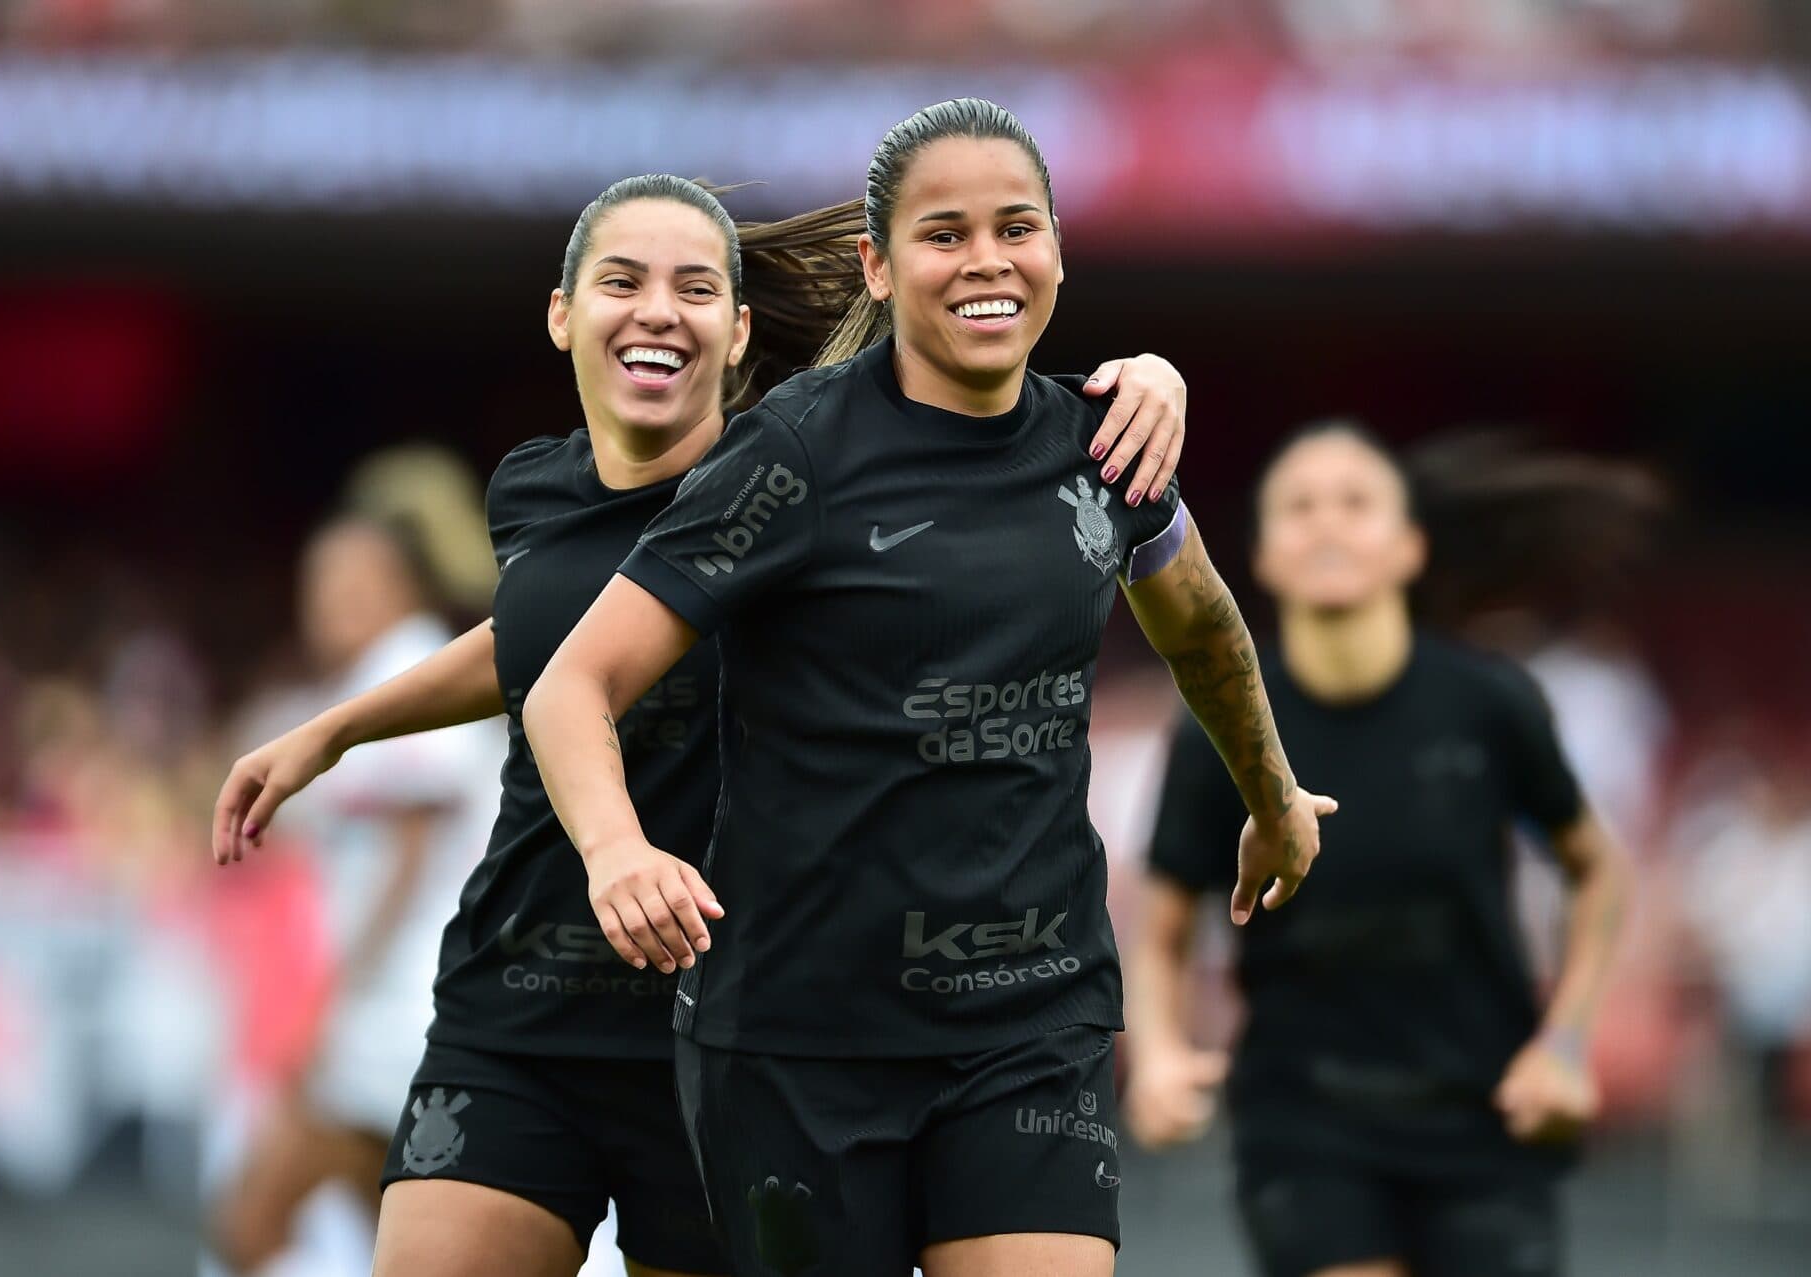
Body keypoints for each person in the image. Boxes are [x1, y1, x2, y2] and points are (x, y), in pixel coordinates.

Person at [212, 172, 1196, 1277]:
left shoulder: (797, 487)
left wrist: (1146, 380)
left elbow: (973, 382)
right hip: (517, 1005)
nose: (655, 311)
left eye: (692, 287)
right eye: (621, 281)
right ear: (561, 312)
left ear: (735, 333)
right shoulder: (535, 490)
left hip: (720, 1034)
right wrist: (338, 728)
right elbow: (539, 647)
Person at [523, 100, 1334, 1277]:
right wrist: (616, 851)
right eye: (945, 233)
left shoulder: (1107, 450)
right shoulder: (796, 453)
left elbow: (1204, 628)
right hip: (797, 1042)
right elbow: (570, 684)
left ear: (1057, 246)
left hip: (1030, 1024)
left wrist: (1271, 792)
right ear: (880, 263)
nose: (987, 261)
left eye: (1018, 227)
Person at [1126, 420, 1637, 1277]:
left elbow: (1601, 872)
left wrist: (1566, 1044)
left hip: (1481, 1115)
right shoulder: (1222, 725)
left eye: (1356, 503)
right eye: (1300, 506)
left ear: (1409, 548)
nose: (1327, 523)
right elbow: (1164, 913)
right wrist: (1160, 1049)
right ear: (1260, 556)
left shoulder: (1491, 704)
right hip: (1305, 1122)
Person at [212, 514, 499, 1274]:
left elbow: (405, 865)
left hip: (395, 1012)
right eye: (319, 582)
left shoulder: (407, 672)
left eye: (351, 581)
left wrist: (327, 1002)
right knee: (396, 1241)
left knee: (253, 1216)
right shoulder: (385, 675)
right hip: (412, 1012)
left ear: (403, 588)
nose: (327, 600)